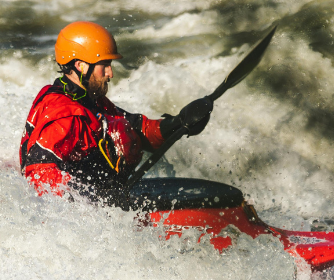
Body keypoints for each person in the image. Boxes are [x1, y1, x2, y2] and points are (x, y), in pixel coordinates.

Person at [19, 21, 214, 200]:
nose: (110, 73)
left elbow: (139, 129)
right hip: (87, 210)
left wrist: (178, 124)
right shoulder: (65, 115)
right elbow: (38, 175)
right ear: (80, 65)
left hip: (108, 197)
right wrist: (93, 200)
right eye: (104, 66)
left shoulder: (89, 100)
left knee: (121, 129)